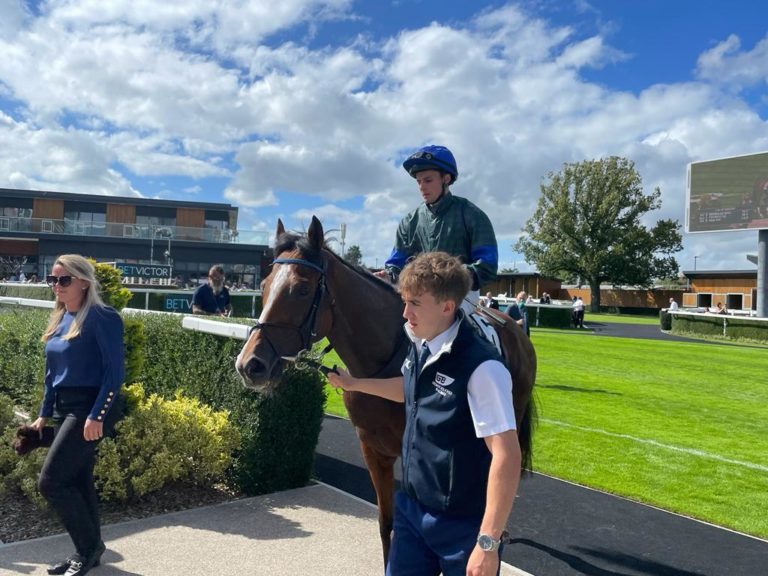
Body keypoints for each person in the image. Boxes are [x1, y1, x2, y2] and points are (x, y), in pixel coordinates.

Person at [330, 252, 520, 576]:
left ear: (447, 306)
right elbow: (409, 388)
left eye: (415, 303)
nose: (405, 313)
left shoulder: (483, 369)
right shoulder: (420, 344)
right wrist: (355, 384)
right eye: (405, 301)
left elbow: (507, 455)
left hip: (463, 526)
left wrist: (487, 543)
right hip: (412, 511)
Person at [29, 254, 125, 576]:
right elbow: (51, 374)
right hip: (65, 407)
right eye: (52, 280)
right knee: (78, 478)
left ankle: (87, 549)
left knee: (51, 482)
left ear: (84, 282)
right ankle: (91, 550)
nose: (56, 286)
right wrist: (44, 414)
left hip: (90, 407)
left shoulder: (101, 316)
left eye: (64, 279)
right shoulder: (60, 318)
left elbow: (114, 372)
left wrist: (98, 414)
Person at [375, 145, 498, 312]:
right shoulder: (409, 222)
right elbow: (396, 264)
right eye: (418, 182)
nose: (422, 187)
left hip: (460, 297)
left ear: (446, 179)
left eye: (428, 180)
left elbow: (487, 266)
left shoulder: (472, 215)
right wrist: (389, 275)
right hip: (418, 296)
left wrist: (445, 278)